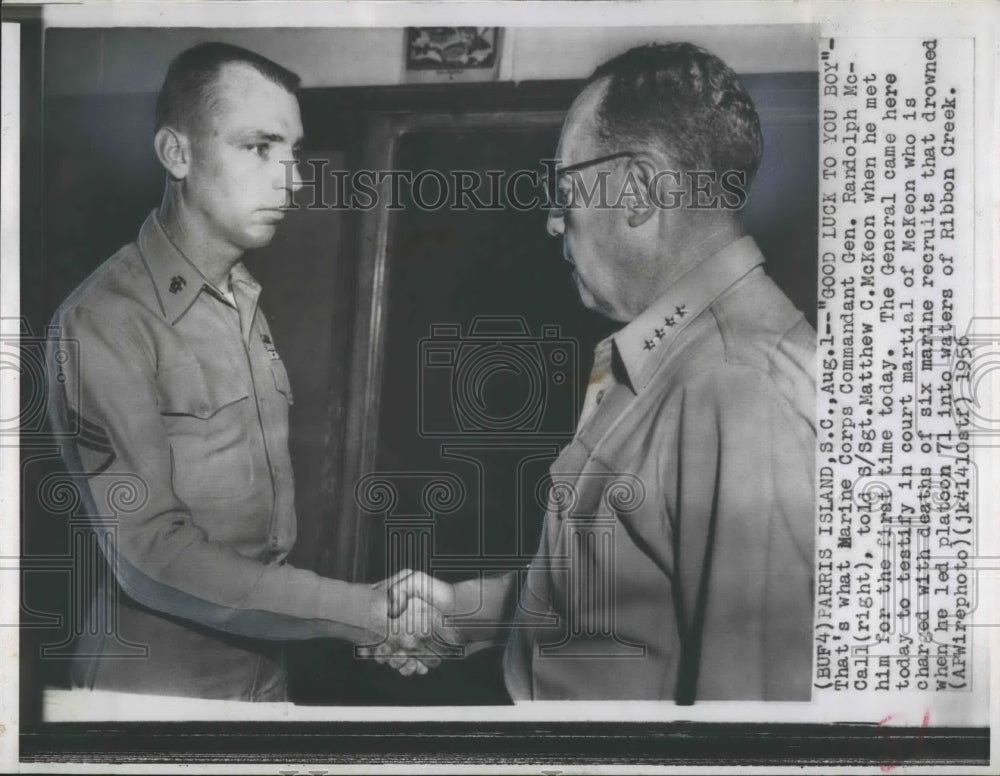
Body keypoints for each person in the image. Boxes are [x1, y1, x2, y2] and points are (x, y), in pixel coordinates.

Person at [384, 42, 817, 702]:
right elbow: (622, 589)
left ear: (639, 191)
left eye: (565, 192)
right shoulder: (674, 356)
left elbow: (752, 714)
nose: (552, 222)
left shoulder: (738, 387)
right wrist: (460, 611)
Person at [45, 42, 442, 701]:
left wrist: (359, 618)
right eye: (259, 147)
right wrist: (362, 612)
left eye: (293, 151)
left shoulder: (242, 299)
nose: (293, 181)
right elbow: (153, 555)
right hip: (156, 695)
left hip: (264, 675)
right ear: (176, 154)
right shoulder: (105, 319)